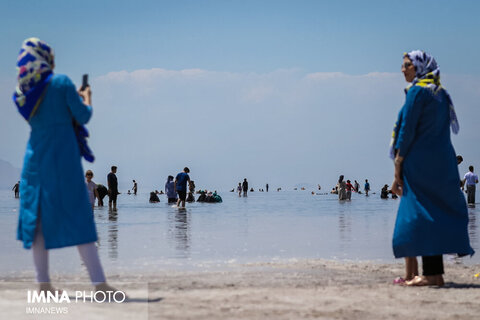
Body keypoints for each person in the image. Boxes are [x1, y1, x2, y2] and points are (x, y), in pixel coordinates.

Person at [13, 38, 116, 293]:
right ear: (45, 58)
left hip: (34, 161)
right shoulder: (61, 83)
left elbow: (49, 115)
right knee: (80, 217)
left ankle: (43, 285)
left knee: (37, 222)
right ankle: (99, 284)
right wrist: (87, 97)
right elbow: (83, 116)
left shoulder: (22, 93)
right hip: (63, 161)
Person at [390, 50, 474, 286]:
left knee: (419, 214)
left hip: (420, 163)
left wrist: (398, 164)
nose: (403, 69)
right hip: (443, 162)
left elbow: (407, 131)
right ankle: (433, 273)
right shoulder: (440, 93)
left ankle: (428, 275)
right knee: (435, 213)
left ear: (418, 67)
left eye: (407, 64)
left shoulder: (417, 92)